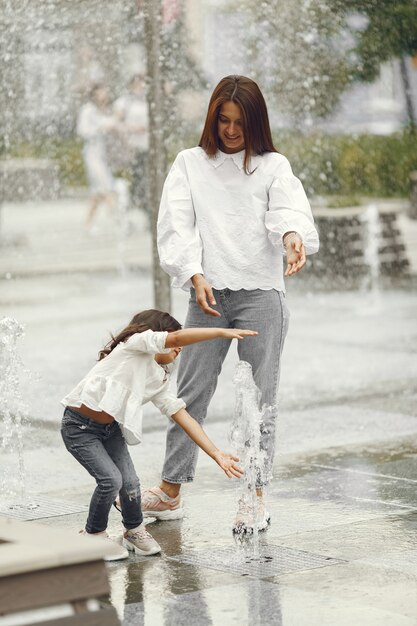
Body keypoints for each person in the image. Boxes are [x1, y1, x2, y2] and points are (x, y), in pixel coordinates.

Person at [143, 75, 320, 533]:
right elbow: (176, 226)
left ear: (255, 121)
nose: (230, 130)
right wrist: (194, 274)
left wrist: (292, 237)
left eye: (239, 122)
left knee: (261, 401)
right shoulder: (189, 164)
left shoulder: (272, 165)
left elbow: (286, 211)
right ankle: (170, 492)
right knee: (189, 394)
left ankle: (255, 497)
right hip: (209, 295)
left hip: (262, 295)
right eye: (223, 120)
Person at [60, 309, 254, 560]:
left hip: (110, 431)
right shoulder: (134, 345)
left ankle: (134, 531)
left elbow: (182, 416)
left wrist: (216, 453)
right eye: (175, 341)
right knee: (111, 481)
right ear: (155, 336)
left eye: (179, 343)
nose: (179, 348)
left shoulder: (158, 378)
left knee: (130, 484)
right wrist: (220, 332)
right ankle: (94, 536)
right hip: (79, 428)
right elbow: (173, 340)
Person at [77, 84, 118, 227]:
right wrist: (100, 129)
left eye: (106, 92)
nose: (104, 95)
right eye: (101, 92)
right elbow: (82, 131)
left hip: (103, 154)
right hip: (92, 154)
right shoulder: (88, 110)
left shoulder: (106, 111)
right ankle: (119, 220)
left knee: (97, 193)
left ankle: (88, 224)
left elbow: (114, 124)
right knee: (106, 186)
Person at [113, 74, 149, 212]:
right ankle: (135, 201)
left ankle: (141, 202)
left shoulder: (148, 101)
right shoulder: (124, 102)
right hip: (131, 146)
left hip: (146, 145)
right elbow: (117, 123)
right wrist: (132, 129)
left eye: (142, 84)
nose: (139, 88)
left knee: (144, 176)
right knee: (136, 176)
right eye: (136, 85)